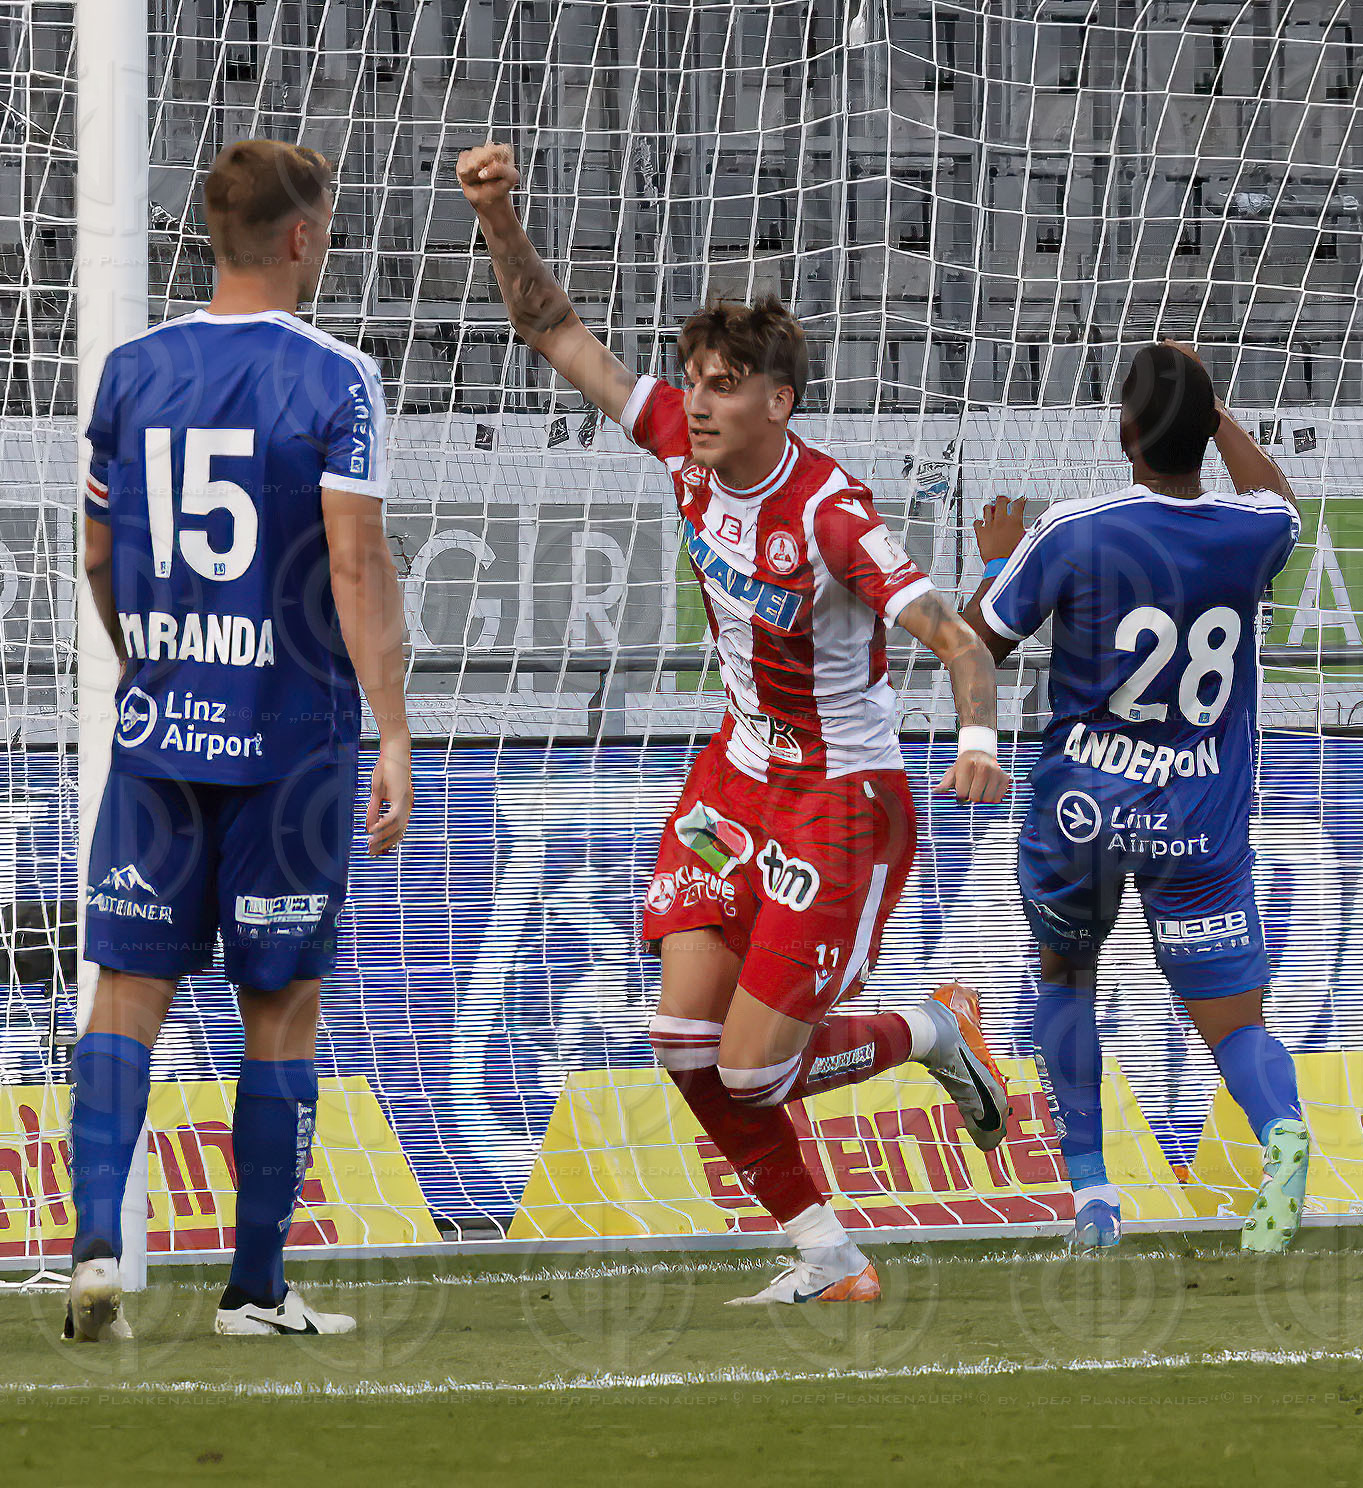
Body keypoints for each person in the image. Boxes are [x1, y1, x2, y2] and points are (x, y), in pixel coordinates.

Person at [460, 141, 1012, 1304]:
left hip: (839, 806)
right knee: (681, 1044)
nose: (697, 402)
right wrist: (500, 215)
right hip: (735, 781)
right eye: (692, 381)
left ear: (777, 402)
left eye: (722, 385)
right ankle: (828, 1255)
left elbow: (958, 641)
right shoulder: (678, 442)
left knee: (754, 1074)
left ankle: (931, 1028)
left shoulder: (832, 515)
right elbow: (551, 326)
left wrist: (976, 743)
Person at [72, 139, 412, 1338]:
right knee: (281, 1007)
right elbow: (355, 564)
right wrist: (394, 732)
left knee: (127, 992)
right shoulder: (335, 376)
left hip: (159, 729)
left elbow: (98, 554)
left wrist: (143, 659)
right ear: (302, 237)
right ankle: (256, 1289)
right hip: (290, 744)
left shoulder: (132, 370)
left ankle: (97, 1244)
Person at [962, 342, 1309, 1253]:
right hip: (1199, 818)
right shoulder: (1252, 533)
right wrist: (1212, 409)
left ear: (1125, 434)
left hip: (1084, 814)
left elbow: (972, 643)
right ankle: (1281, 1130)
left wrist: (996, 562)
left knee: (1066, 977)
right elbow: (1279, 499)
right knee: (1234, 1024)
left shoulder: (1073, 529)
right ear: (1205, 430)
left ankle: (1093, 1197)